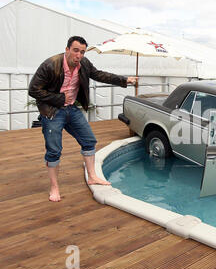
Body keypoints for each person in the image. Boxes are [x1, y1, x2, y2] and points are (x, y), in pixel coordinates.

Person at [28, 36, 138, 202]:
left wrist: (124, 80)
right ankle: (54, 187)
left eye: (82, 52)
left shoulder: (84, 64)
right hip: (52, 111)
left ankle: (92, 176)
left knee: (89, 140)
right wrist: (58, 98)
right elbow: (33, 90)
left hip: (71, 109)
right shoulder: (50, 64)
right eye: (75, 50)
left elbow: (99, 75)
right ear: (67, 50)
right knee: (54, 150)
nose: (78, 55)